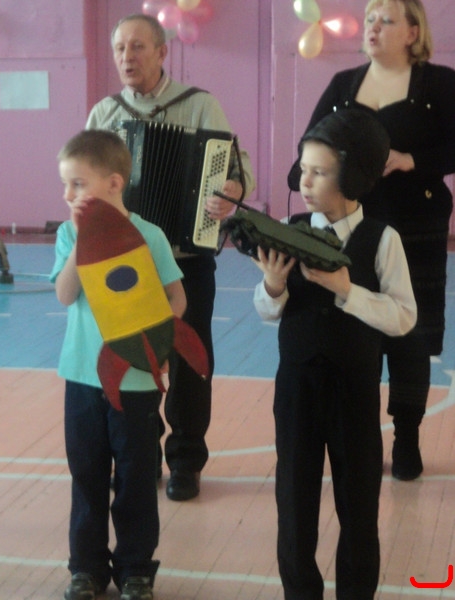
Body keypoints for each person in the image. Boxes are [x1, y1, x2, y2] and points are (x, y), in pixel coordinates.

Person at [87, 13, 255, 501]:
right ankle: (139, 455)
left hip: (187, 258)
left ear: (163, 52)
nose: (127, 57)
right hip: (124, 263)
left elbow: (238, 169)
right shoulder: (105, 114)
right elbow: (84, 176)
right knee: (131, 357)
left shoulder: (200, 105)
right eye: (119, 48)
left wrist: (232, 190)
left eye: (138, 47)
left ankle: (185, 460)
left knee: (189, 359)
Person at [287, 0, 455, 481]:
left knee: (409, 336)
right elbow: (308, 147)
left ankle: (407, 438)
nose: (374, 28)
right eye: (369, 20)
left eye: (387, 20)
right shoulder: (344, 84)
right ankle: (354, 435)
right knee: (352, 328)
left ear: (412, 32)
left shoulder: (439, 83)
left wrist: (411, 161)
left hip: (416, 227)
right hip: (353, 231)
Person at [257, 110, 416, 598]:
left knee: (358, 504)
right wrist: (273, 285)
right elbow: (267, 311)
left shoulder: (382, 239)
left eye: (320, 172)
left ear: (352, 177)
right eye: (303, 169)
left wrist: (348, 291)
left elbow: (403, 316)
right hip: (296, 390)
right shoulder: (288, 228)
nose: (305, 182)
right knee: (294, 501)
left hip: (354, 391)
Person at [51, 129, 187, 600]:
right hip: (82, 377)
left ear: (113, 183)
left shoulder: (150, 236)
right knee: (87, 475)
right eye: (65, 185)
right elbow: (65, 294)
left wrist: (157, 339)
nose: (68, 195)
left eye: (78, 184)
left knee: (135, 479)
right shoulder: (68, 233)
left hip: (136, 381)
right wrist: (80, 241)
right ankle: (86, 568)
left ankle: (135, 569)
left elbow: (177, 298)